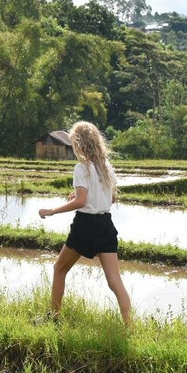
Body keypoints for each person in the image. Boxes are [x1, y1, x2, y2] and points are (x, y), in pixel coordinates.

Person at [38, 121, 132, 327]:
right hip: (105, 226)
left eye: (73, 143)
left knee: (59, 269)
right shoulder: (106, 167)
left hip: (85, 226)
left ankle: (54, 318)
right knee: (115, 282)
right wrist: (84, 195)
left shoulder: (81, 168)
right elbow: (111, 199)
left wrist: (51, 211)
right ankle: (130, 327)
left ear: (80, 144)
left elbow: (81, 202)